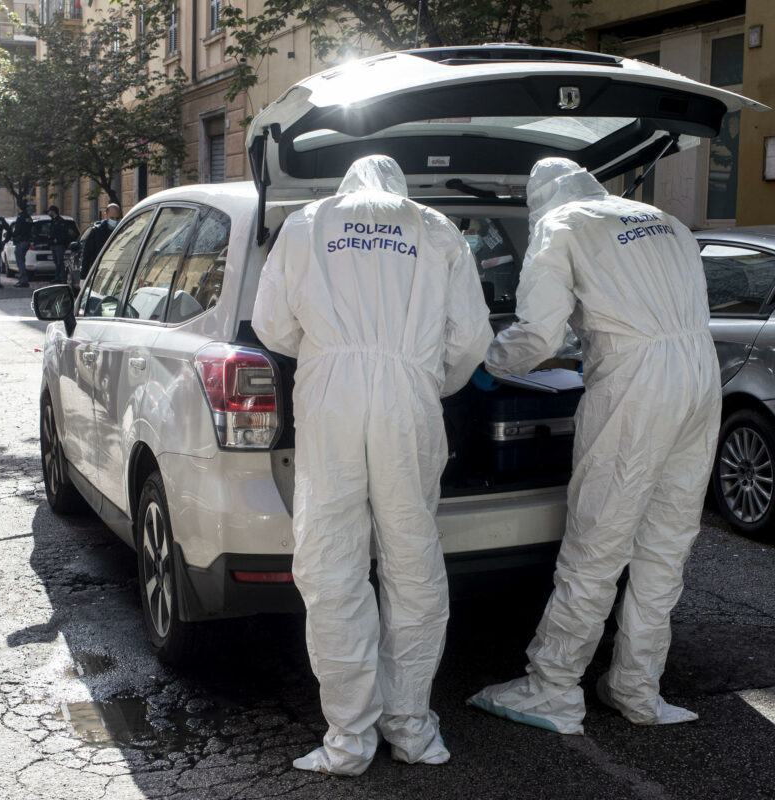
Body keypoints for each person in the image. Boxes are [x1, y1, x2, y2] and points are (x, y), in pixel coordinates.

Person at [252, 155, 492, 776]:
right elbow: (470, 338)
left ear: (348, 185)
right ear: (400, 187)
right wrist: (421, 379)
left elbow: (272, 325)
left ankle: (349, 740)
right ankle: (411, 728)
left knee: (332, 565)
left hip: (329, 395)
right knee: (413, 562)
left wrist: (331, 349)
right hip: (408, 399)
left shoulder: (307, 222)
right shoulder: (435, 228)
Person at [467, 157, 721, 734]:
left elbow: (538, 333)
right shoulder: (664, 219)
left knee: (598, 538)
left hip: (637, 386)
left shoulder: (561, 226)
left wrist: (478, 362)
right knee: (665, 541)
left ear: (540, 202)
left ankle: (553, 688)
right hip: (701, 375)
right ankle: (638, 687)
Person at [80, 203, 121, 279]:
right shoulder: (96, 232)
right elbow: (87, 256)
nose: (115, 221)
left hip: (115, 273)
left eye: (117, 218)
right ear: (105, 215)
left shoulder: (122, 231)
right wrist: (83, 277)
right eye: (112, 218)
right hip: (98, 274)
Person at [10, 204, 34, 288]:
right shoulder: (29, 218)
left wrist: (13, 235)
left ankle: (23, 280)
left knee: (20, 262)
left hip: (21, 241)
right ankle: (23, 279)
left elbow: (17, 230)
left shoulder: (21, 218)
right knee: (22, 261)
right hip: (27, 241)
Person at [46, 205, 72, 284]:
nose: (49, 213)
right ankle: (57, 277)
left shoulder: (61, 221)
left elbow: (64, 233)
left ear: (53, 211)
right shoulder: (53, 221)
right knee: (56, 261)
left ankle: (62, 278)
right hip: (53, 245)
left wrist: (58, 239)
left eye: (50, 211)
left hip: (59, 244)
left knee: (60, 262)